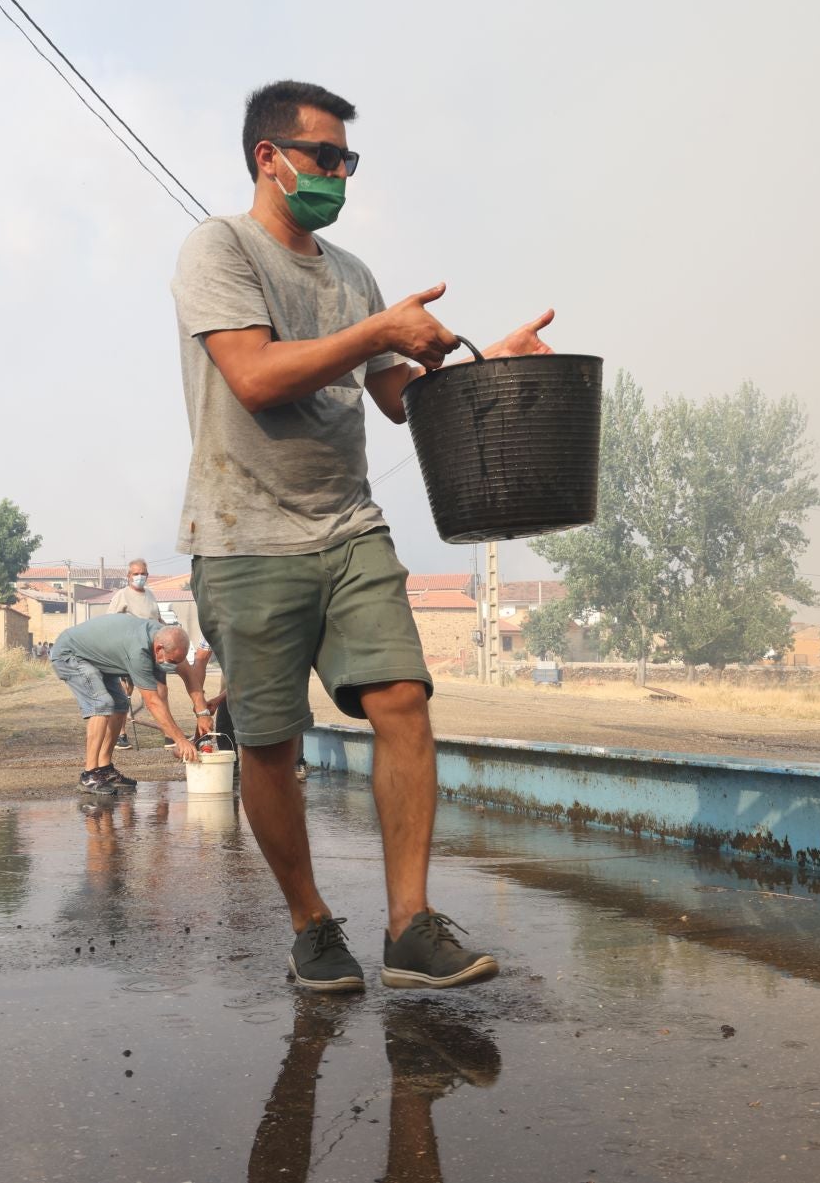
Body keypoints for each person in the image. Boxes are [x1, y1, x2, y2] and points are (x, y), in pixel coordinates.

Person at [171, 79, 553, 991]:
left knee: (403, 701)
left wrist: (487, 366)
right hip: (244, 534)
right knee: (271, 743)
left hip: (348, 526)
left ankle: (409, 925)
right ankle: (311, 925)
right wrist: (379, 327)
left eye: (348, 160)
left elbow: (396, 396)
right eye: (326, 157)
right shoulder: (218, 249)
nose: (340, 174)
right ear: (269, 157)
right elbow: (256, 375)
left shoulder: (352, 276)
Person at [48, 612, 198, 793]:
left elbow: (188, 672)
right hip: (70, 655)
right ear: (159, 649)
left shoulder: (165, 635)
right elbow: (152, 702)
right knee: (101, 703)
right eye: (172, 661)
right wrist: (180, 740)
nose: (173, 665)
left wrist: (203, 711)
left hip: (97, 659)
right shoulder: (139, 651)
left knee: (120, 704)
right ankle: (89, 775)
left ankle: (104, 769)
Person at [106, 559, 160, 749]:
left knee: (158, 691)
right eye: (136, 573)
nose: (139, 577)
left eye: (142, 573)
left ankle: (169, 735)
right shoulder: (122, 595)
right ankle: (121, 734)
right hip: (128, 650)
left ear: (147, 575)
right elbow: (110, 622)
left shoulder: (151, 595)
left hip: (151, 650)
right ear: (129, 576)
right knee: (125, 693)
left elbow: (158, 619)